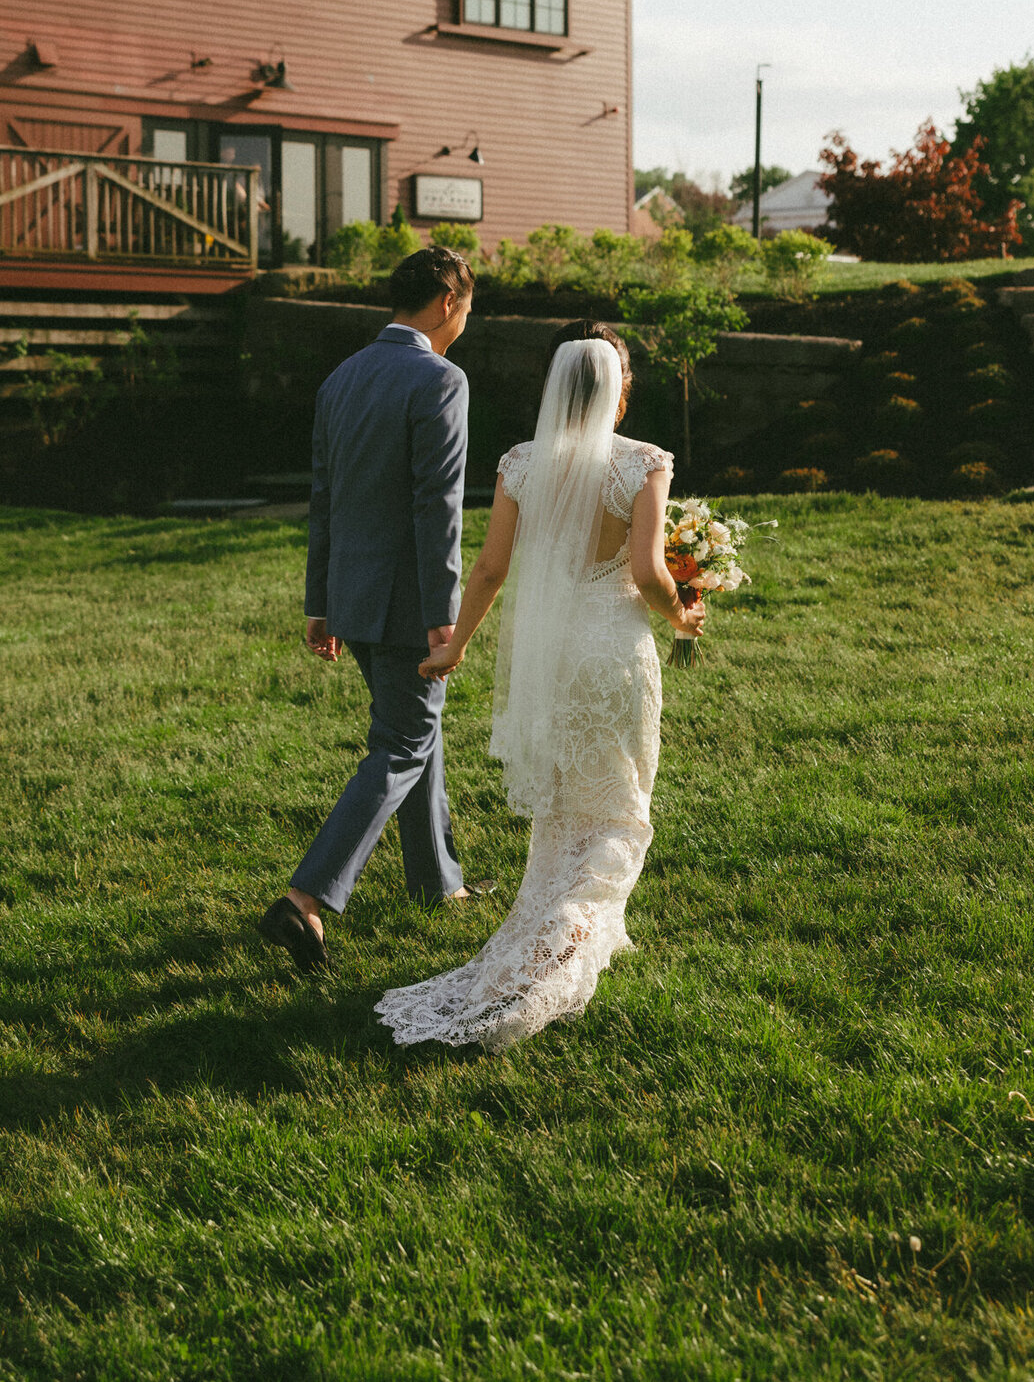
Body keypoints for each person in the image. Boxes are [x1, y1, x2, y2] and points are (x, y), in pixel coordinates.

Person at [374, 320, 705, 1049]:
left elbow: (489, 568)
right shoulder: (643, 462)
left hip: (550, 656)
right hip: (613, 649)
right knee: (619, 806)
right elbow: (649, 574)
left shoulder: (522, 463)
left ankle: (573, 926)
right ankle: (574, 931)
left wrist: (455, 644)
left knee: (565, 808)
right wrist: (684, 614)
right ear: (617, 392)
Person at [259, 246, 491, 973]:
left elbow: (322, 497)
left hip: (354, 601)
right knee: (401, 743)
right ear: (449, 299)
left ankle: (437, 880)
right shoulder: (441, 379)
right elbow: (438, 507)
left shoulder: (340, 378)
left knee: (414, 728)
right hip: (406, 605)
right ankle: (304, 901)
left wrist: (319, 603)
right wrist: (442, 612)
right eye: (469, 306)